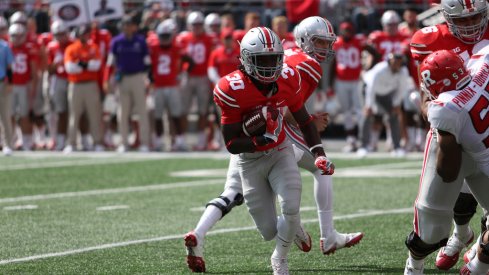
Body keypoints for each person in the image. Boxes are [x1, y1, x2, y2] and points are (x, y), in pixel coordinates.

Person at [185, 18, 363, 274]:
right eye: (320, 41)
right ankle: (317, 231)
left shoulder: (286, 66)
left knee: (249, 193)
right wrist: (258, 135)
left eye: (327, 42)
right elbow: (238, 138)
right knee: (257, 214)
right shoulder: (301, 67)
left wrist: (315, 142)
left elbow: (290, 108)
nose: (270, 67)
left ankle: (306, 238)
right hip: (254, 147)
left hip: (278, 144)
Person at [212, 26, 334, 275]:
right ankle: (292, 228)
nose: (269, 65)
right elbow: (231, 143)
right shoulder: (231, 88)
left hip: (280, 151)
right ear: (246, 59)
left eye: (274, 58)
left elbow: (304, 120)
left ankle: (280, 258)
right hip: (249, 161)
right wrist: (258, 141)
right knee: (269, 230)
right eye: (262, 60)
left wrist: (319, 154)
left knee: (290, 205)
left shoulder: (288, 77)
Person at [409, 0, 489, 270]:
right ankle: (417, 262)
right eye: (463, 20)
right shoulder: (429, 40)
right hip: (449, 132)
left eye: (475, 18)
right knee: (431, 218)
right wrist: (433, 111)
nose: (471, 25)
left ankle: (475, 257)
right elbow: (425, 92)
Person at [105, 15, 151, 153]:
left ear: (134, 26)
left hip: (138, 77)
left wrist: (148, 78)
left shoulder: (140, 41)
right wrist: (107, 80)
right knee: (122, 112)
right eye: (124, 25)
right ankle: (124, 142)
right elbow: (110, 63)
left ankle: (144, 142)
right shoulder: (116, 42)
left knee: (142, 111)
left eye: (129, 24)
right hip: (122, 78)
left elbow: (147, 62)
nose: (127, 27)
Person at [357, 53, 411, 157]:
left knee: (394, 115)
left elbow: (402, 89)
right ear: (389, 62)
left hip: (386, 94)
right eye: (394, 62)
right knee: (367, 115)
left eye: (399, 63)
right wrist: (369, 105)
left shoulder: (404, 72)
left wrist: (396, 104)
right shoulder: (380, 69)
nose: (396, 65)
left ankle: (397, 147)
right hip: (368, 90)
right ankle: (363, 146)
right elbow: (371, 87)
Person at [148, 19, 190, 151]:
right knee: (158, 116)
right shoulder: (153, 47)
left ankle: (180, 140)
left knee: (176, 115)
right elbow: (148, 66)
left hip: (172, 85)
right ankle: (159, 141)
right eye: (162, 36)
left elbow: (189, 61)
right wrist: (150, 79)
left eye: (167, 36)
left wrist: (182, 73)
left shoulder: (176, 48)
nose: (165, 39)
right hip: (158, 86)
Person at [176, 11, 214, 151]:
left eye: (199, 24)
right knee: (183, 109)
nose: (197, 27)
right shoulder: (183, 38)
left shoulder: (209, 39)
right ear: (189, 25)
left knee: (202, 110)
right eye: (194, 24)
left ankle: (201, 140)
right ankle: (183, 139)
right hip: (187, 75)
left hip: (203, 76)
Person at [63, 24, 103, 153]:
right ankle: (71, 142)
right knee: (74, 115)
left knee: (94, 114)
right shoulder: (71, 49)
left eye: (86, 33)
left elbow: (96, 66)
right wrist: (86, 65)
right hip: (76, 85)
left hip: (91, 84)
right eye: (82, 33)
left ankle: (97, 142)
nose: (84, 36)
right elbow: (70, 68)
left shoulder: (93, 47)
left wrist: (81, 64)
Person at [329, 21, 365, 153]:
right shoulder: (337, 43)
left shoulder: (359, 42)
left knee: (359, 110)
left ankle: (362, 139)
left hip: (356, 81)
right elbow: (333, 64)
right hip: (341, 81)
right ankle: (351, 139)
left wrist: (367, 69)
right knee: (347, 112)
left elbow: (373, 52)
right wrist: (331, 83)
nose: (347, 33)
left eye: (349, 30)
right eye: (345, 30)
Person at [8, 23, 38, 151]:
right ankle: (10, 141)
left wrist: (33, 86)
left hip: (23, 85)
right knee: (9, 115)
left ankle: (27, 141)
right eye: (14, 36)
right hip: (9, 86)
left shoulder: (29, 48)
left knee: (25, 115)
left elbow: (33, 70)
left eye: (20, 36)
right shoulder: (5, 47)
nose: (17, 38)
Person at [46, 20, 73, 151]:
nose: (60, 37)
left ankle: (78, 140)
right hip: (58, 80)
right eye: (57, 34)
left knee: (76, 111)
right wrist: (54, 65)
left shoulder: (73, 44)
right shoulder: (51, 47)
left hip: (73, 80)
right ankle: (61, 141)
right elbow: (48, 69)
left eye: (62, 33)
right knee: (61, 111)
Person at [0, 32, 13, 155]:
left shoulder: (4, 46)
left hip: (1, 83)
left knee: (4, 115)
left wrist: (10, 83)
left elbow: (9, 67)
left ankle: (8, 144)